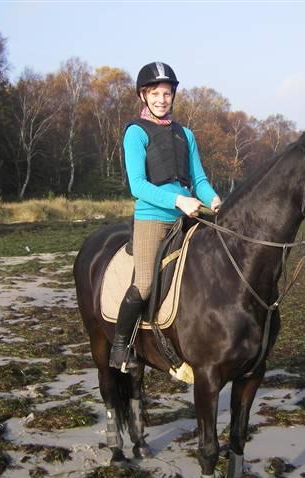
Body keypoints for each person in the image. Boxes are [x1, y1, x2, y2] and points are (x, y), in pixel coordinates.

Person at [110, 61, 222, 371]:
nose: (162, 99)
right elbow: (138, 185)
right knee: (144, 284)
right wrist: (177, 200)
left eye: (167, 93)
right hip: (152, 219)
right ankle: (121, 347)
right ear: (143, 96)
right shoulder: (135, 132)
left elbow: (197, 180)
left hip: (188, 214)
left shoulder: (185, 134)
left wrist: (211, 198)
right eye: (155, 93)